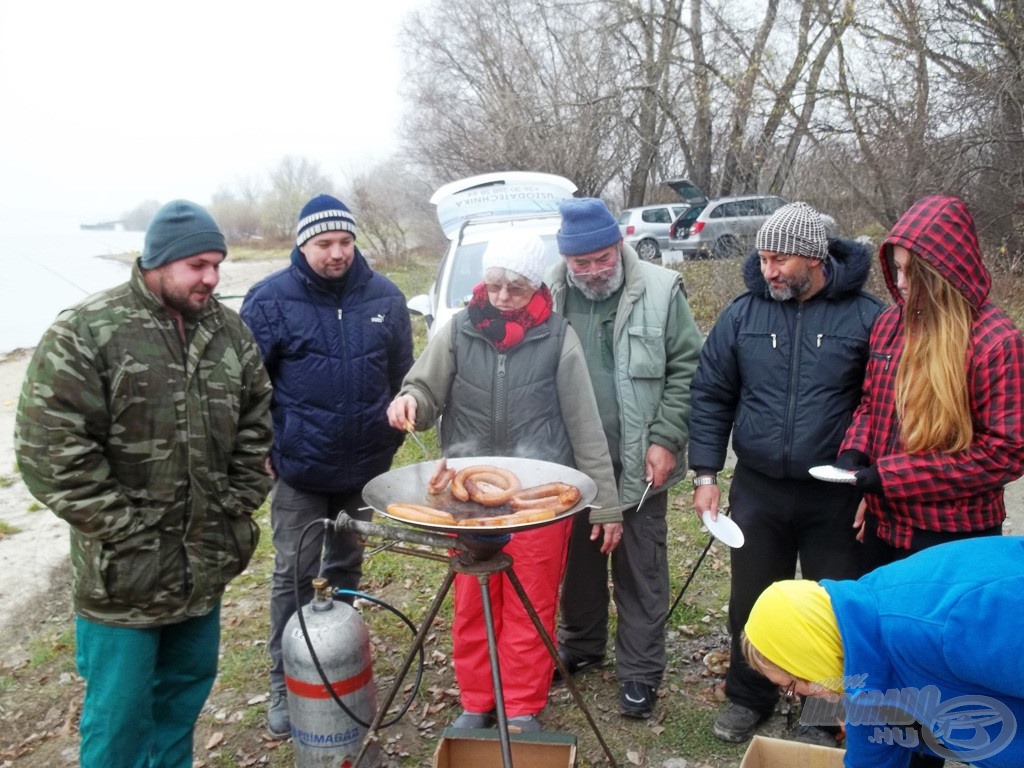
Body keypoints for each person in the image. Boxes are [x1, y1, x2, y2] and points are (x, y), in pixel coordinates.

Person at [14, 200, 274, 768]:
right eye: (197, 265)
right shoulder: (87, 330)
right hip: (123, 582)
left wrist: (236, 505)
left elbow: (257, 419)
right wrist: (126, 532)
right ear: (157, 261)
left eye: (217, 264)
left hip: (203, 566)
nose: (211, 277)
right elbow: (48, 450)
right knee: (118, 723)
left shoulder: (229, 332)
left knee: (180, 706)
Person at [387, 229, 620, 732]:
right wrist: (412, 401)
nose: (500, 298)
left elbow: (585, 425)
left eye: (514, 288)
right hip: (468, 497)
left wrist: (605, 504)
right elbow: (425, 388)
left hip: (537, 496)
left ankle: (520, 706)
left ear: (535, 287)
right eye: (493, 285)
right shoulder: (457, 329)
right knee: (473, 601)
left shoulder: (558, 337)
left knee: (529, 603)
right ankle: (477, 699)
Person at [687, 201, 885, 744]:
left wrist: (870, 481)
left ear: (814, 258)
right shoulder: (743, 315)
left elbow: (885, 406)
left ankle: (827, 715)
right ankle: (750, 696)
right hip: (759, 489)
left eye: (779, 260)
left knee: (836, 607)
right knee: (751, 599)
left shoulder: (868, 318)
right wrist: (706, 473)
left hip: (836, 495)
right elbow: (711, 395)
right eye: (763, 258)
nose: (767, 270)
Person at [240, 194, 413, 738]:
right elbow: (247, 386)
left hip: (365, 467)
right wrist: (261, 445)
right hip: (299, 468)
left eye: (344, 242)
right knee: (292, 575)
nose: (336, 253)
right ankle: (283, 681)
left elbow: (404, 373)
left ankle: (336, 666)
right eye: (323, 244)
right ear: (301, 243)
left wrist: (399, 419)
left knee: (344, 570)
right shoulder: (269, 300)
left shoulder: (385, 296)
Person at [548, 198, 702, 720]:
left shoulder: (661, 289)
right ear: (566, 259)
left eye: (601, 258)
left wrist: (666, 438)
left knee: (640, 571)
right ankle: (582, 645)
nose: (592, 271)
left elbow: (687, 369)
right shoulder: (547, 294)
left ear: (619, 245)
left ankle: (639, 673)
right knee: (580, 565)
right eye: (580, 262)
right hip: (571, 466)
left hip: (641, 461)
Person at [838, 195, 1024, 558]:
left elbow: (1004, 453)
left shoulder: (996, 342)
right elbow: (871, 403)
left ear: (944, 274)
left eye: (913, 272)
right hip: (884, 524)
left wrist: (891, 477)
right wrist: (855, 451)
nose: (902, 282)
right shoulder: (891, 323)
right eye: (897, 269)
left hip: (956, 536)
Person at [742, 536, 1024, 768]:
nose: (799, 695)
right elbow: (873, 751)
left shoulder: (948, 625)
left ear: (809, 652)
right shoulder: (855, 646)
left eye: (791, 685)